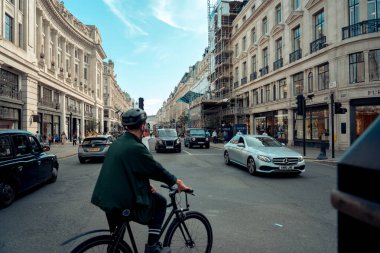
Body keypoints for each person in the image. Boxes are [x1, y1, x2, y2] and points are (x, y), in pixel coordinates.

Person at [91, 108, 191, 253]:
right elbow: (155, 169)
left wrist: (146, 184)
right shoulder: (136, 147)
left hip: (106, 198)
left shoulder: (118, 143)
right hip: (121, 200)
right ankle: (152, 247)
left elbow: (131, 169)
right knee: (160, 203)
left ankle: (113, 247)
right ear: (143, 125)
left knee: (115, 241)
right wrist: (177, 181)